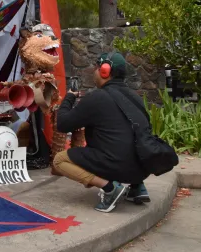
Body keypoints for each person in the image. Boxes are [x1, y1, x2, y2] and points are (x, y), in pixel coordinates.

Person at [53, 52, 151, 213]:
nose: (95, 72)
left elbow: (63, 125)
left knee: (59, 161)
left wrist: (69, 98)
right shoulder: (135, 97)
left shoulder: (97, 97)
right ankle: (137, 187)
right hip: (142, 168)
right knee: (122, 142)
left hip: (118, 166)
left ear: (105, 71)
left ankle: (110, 188)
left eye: (97, 68)